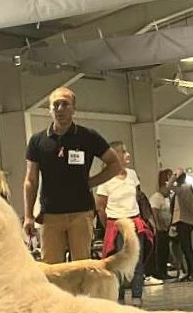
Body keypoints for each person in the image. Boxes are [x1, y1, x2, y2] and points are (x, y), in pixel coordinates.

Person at [23, 86, 122, 263]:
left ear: (73, 108)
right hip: (50, 215)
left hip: (81, 213)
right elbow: (31, 180)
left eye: (65, 104)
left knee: (82, 267)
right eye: (55, 105)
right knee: (52, 269)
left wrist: (91, 182)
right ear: (50, 109)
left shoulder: (88, 136)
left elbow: (114, 164)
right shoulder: (38, 141)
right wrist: (28, 216)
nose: (60, 109)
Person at [95, 141, 153, 305]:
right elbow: (100, 207)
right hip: (117, 224)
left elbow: (138, 197)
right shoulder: (105, 179)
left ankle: (137, 297)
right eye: (123, 151)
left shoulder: (132, 175)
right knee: (119, 262)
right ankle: (119, 298)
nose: (128, 155)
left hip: (135, 222)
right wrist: (110, 226)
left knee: (137, 261)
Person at [170, 169, 193, 282]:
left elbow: (169, 186)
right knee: (185, 248)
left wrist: (174, 175)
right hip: (181, 221)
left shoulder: (185, 188)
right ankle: (190, 272)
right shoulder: (182, 190)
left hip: (185, 221)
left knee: (187, 248)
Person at [148, 168, 174, 281]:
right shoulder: (156, 197)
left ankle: (164, 270)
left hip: (166, 228)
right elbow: (154, 212)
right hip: (160, 229)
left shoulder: (167, 198)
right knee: (160, 250)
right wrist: (158, 225)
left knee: (165, 250)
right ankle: (159, 271)